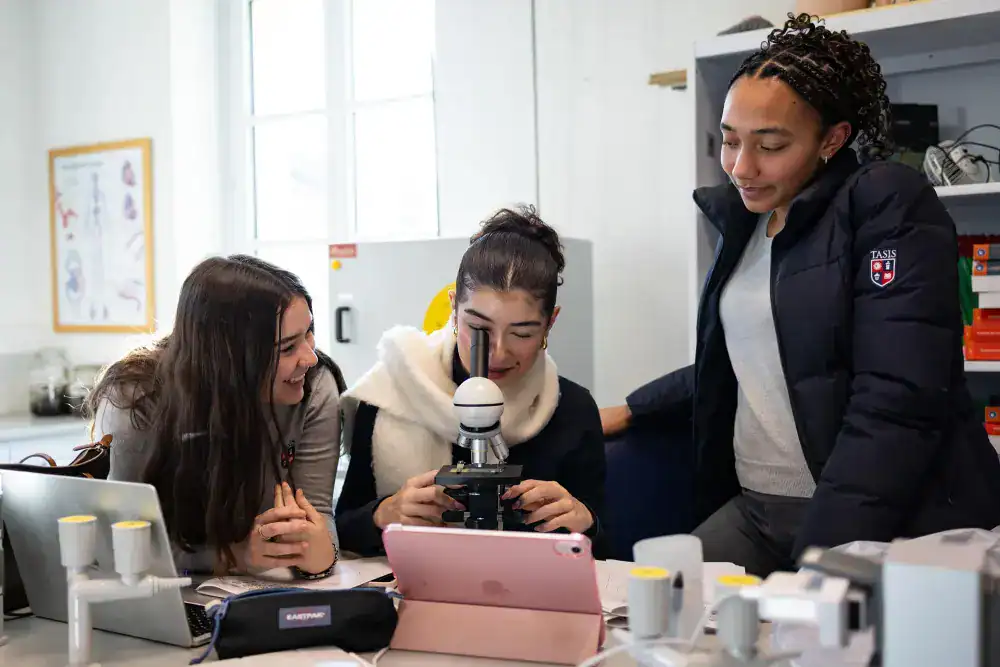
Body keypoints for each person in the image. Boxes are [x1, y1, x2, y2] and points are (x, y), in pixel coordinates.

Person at [602, 13, 1000, 577]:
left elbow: (899, 397)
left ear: (832, 140)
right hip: (759, 508)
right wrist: (634, 409)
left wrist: (823, 557)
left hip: (882, 518)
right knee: (658, 613)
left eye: (770, 145)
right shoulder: (745, 223)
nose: (742, 167)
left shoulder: (886, 204)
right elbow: (747, 355)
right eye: (730, 141)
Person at [335, 206, 608, 558]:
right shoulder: (393, 391)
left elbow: (603, 547)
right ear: (453, 307)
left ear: (550, 323)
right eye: (478, 329)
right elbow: (340, 529)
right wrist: (384, 514)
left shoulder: (571, 409)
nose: (497, 352)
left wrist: (585, 523)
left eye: (522, 333)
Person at [85, 255, 345, 579]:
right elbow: (121, 541)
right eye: (286, 348)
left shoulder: (316, 385)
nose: (310, 357)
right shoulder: (135, 399)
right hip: (159, 593)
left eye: (309, 334)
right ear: (228, 358)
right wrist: (232, 557)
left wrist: (323, 553)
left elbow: (319, 514)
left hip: (252, 593)